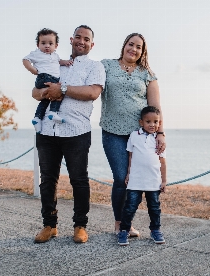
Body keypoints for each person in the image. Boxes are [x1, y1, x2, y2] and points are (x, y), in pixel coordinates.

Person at [31, 25, 106, 244]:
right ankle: (49, 225)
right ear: (71, 40)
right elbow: (35, 92)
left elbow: (92, 92)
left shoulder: (95, 67)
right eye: (78, 37)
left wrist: (62, 89)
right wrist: (47, 92)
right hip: (47, 130)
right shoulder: (54, 63)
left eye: (87, 39)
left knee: (79, 180)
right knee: (47, 181)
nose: (81, 41)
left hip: (77, 132)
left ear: (92, 44)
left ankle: (80, 226)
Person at [100, 33, 166, 236]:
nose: (134, 49)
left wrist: (160, 132)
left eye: (139, 47)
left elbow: (155, 107)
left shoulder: (147, 73)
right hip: (112, 131)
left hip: (140, 136)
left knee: (136, 180)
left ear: (142, 52)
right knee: (121, 178)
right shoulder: (106, 66)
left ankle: (128, 223)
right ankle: (120, 223)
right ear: (124, 45)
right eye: (131, 44)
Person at [117, 106, 167, 246]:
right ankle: (124, 230)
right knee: (130, 206)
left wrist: (164, 181)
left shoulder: (159, 140)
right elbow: (130, 156)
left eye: (155, 121)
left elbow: (162, 161)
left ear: (159, 123)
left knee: (154, 207)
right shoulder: (134, 136)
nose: (152, 125)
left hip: (153, 181)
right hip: (136, 180)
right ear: (141, 122)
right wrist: (128, 174)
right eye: (148, 121)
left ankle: (155, 230)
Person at [23, 28, 73, 133]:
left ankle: (37, 118)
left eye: (50, 43)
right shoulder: (37, 53)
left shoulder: (55, 56)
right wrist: (32, 69)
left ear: (56, 46)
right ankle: (53, 112)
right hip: (44, 77)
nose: (47, 46)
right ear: (38, 45)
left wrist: (66, 62)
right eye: (43, 43)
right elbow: (25, 60)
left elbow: (59, 61)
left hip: (51, 79)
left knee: (46, 99)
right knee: (59, 92)